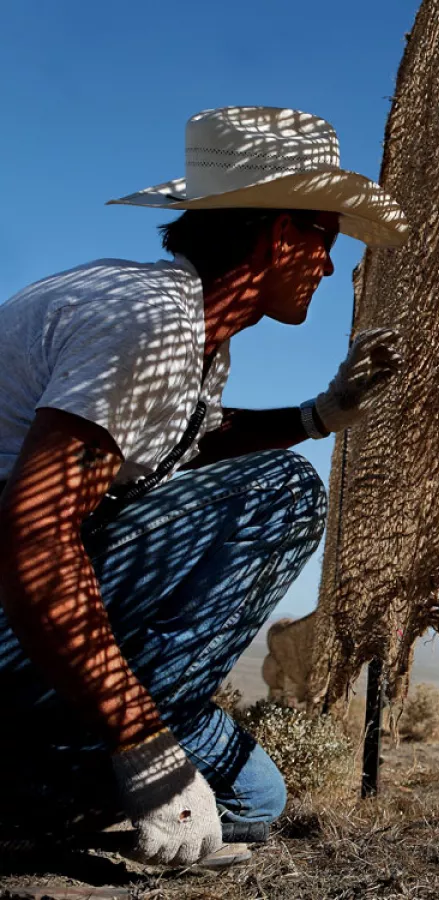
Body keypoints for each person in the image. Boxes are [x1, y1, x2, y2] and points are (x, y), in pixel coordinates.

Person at [0, 106, 410, 868]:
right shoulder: (150, 323)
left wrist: (318, 414)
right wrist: (143, 746)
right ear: (281, 234)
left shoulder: (189, 335)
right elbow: (36, 533)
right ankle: (56, 768)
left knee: (257, 804)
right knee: (282, 495)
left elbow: (189, 444)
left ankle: (112, 732)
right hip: (15, 606)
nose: (326, 265)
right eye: (322, 239)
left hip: (40, 614)